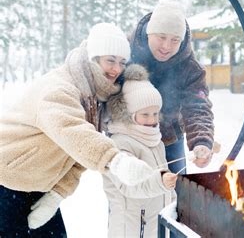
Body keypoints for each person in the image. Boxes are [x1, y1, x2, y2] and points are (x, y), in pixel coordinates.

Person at [0, 23, 155, 237]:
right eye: (110, 60)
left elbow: (77, 158)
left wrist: (56, 195)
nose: (116, 69)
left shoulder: (93, 97)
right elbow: (73, 132)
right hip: (8, 180)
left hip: (39, 184)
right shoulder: (60, 88)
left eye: (121, 62)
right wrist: (115, 160)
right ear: (93, 58)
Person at [130, 2, 214, 173]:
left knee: (178, 192)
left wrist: (202, 141)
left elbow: (198, 107)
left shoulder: (190, 68)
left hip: (170, 139)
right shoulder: (125, 53)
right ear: (149, 33)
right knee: (129, 195)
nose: (166, 46)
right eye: (161, 37)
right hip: (129, 138)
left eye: (175, 40)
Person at [103, 64, 177, 238]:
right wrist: (161, 182)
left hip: (152, 222)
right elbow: (130, 185)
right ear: (128, 114)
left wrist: (172, 199)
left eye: (155, 113)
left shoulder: (154, 141)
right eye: (145, 114)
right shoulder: (119, 144)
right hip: (130, 226)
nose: (152, 120)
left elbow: (162, 180)